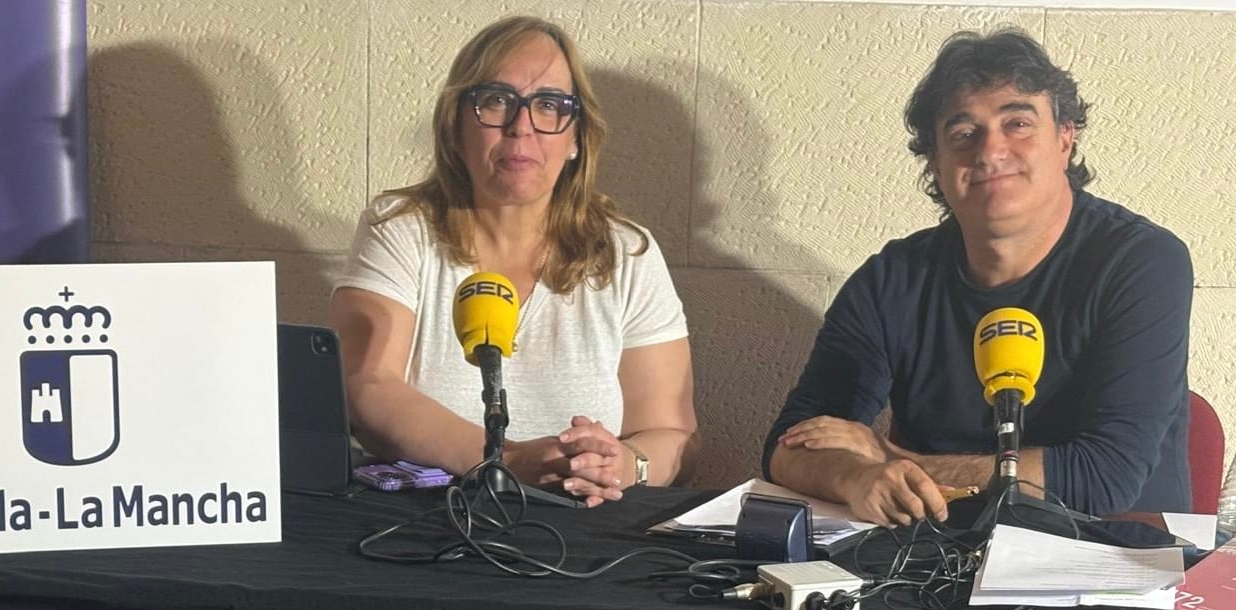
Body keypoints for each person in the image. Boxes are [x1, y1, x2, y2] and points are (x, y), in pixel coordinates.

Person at [765, 29, 1192, 526]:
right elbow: (788, 445)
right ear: (937, 165)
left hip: (1118, 562)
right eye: (964, 134)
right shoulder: (891, 280)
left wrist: (898, 463)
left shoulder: (1141, 261)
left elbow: (1104, 478)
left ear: (1064, 138)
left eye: (1017, 123)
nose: (990, 151)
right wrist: (853, 477)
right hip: (936, 561)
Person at [329, 16, 696, 507]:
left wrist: (626, 463)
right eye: (496, 100)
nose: (521, 127)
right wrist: (507, 460)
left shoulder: (627, 253)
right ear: (456, 128)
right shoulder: (400, 228)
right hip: (425, 524)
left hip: (585, 533)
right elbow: (364, 386)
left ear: (575, 140)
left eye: (549, 105)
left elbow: (673, 434)